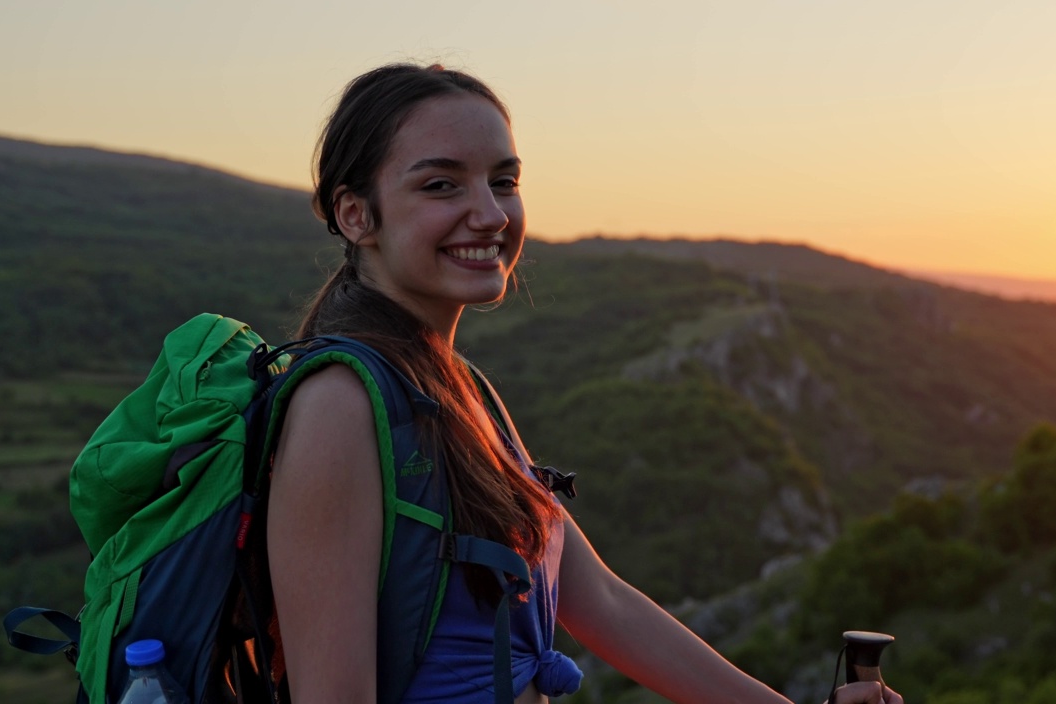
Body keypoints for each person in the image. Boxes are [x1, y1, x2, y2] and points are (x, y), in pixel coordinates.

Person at [265, 62, 904, 704]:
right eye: (441, 185)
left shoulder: (459, 389)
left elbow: (601, 601)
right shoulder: (339, 407)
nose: (489, 215)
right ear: (355, 214)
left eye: (504, 181)